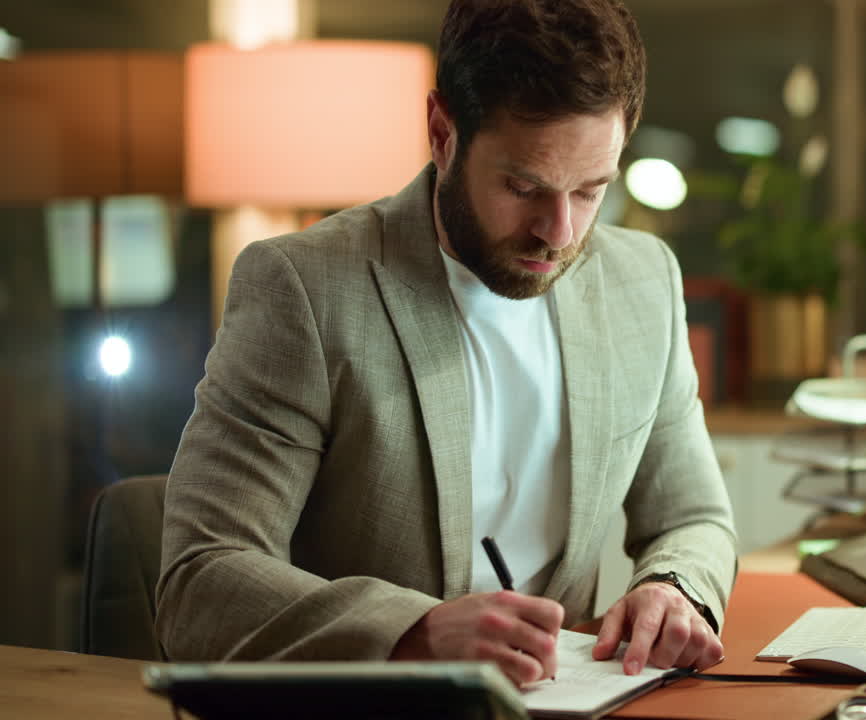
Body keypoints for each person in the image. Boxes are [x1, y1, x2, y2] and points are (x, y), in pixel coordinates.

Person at [155, 0, 737, 688]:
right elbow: (201, 581)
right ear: (441, 131)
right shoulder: (305, 290)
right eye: (524, 187)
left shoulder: (642, 281)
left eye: (590, 190)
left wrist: (674, 588)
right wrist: (413, 631)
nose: (559, 232)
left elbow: (694, 516)